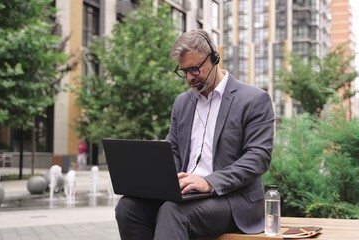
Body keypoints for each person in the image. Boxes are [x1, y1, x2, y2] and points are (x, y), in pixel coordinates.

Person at [115, 29, 275, 240]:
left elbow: (258, 158)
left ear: (214, 59)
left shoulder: (254, 100)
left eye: (194, 69)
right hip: (186, 195)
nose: (190, 77)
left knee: (173, 211)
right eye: (183, 71)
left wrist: (209, 182)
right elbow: (172, 151)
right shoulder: (182, 102)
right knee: (127, 207)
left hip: (232, 199)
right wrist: (156, 181)